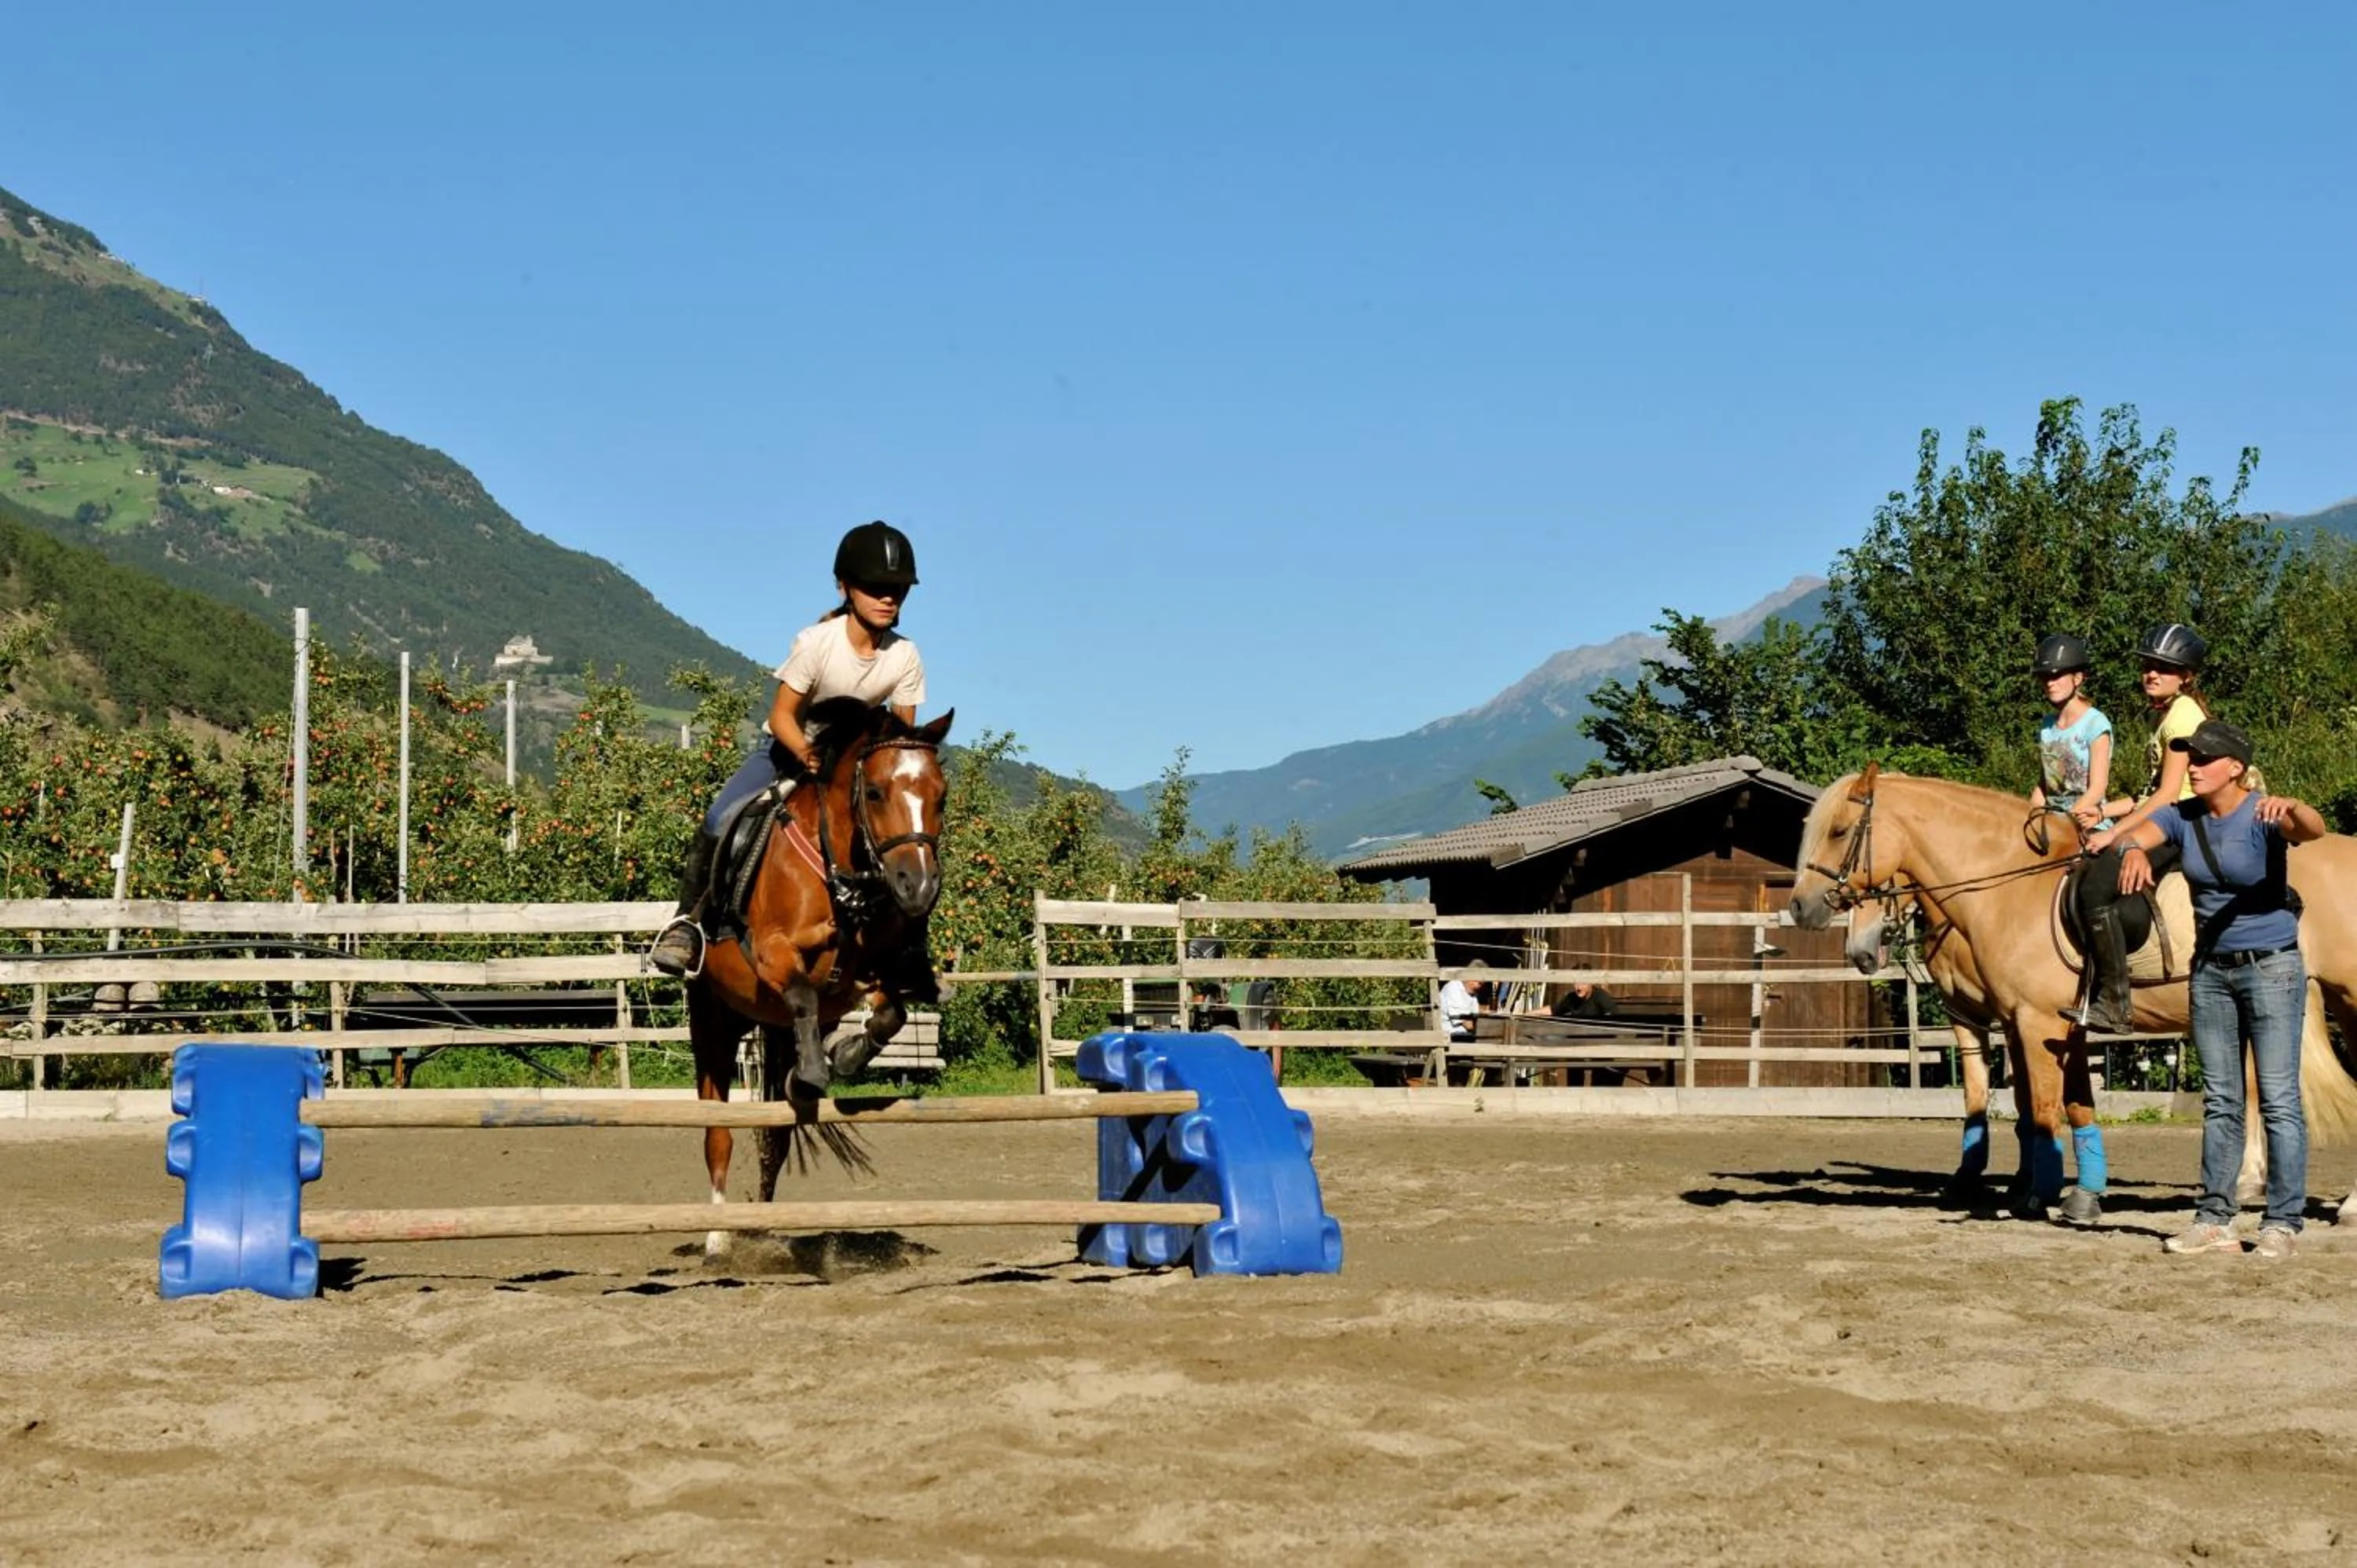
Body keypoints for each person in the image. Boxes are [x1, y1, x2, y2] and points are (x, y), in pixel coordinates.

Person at [649, 521, 930, 985]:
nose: (888, 598)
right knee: (721, 817)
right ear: (845, 587)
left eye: (898, 589)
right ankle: (687, 925)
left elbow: (899, 736)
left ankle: (908, 948)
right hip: (788, 749)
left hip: (852, 762)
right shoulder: (817, 643)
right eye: (876, 588)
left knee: (909, 837)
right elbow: (782, 717)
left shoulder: (906, 656)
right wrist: (804, 751)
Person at [2111, 718, 2323, 1258]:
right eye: (2191, 757)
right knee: (2222, 1100)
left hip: (2272, 968)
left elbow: (2313, 829)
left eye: (2205, 758)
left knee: (2277, 1100)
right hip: (2210, 972)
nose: (2195, 766)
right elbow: (2136, 833)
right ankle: (2214, 1220)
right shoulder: (2183, 817)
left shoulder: (2264, 813)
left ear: (2235, 767)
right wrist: (2134, 851)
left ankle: (2282, 1222)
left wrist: (2293, 806)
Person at [2069, 622, 2210, 1032]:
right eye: (2148, 665)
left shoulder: (2182, 717)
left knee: (2096, 888)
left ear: (2186, 676)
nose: (2151, 673)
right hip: (2166, 815)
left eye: (2164, 668)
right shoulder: (2163, 716)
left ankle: (2115, 1001)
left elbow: (2168, 795)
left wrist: (2115, 834)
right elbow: (2149, 791)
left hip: (2183, 821)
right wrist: (2103, 810)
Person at [1440, 959, 1489, 1042]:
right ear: (1472, 978)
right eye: (1480, 983)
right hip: (1451, 1037)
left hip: (1464, 1036)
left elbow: (1475, 1015)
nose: (1481, 987)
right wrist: (1488, 1029)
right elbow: (1468, 1024)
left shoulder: (1472, 994)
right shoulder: (1454, 988)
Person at [1549, 977, 1618, 1021]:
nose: (1579, 988)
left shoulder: (1600, 996)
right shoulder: (1571, 998)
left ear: (1591, 983)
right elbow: (1552, 1010)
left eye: (1583, 983)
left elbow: (1613, 1016)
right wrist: (1538, 1014)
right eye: (1576, 983)